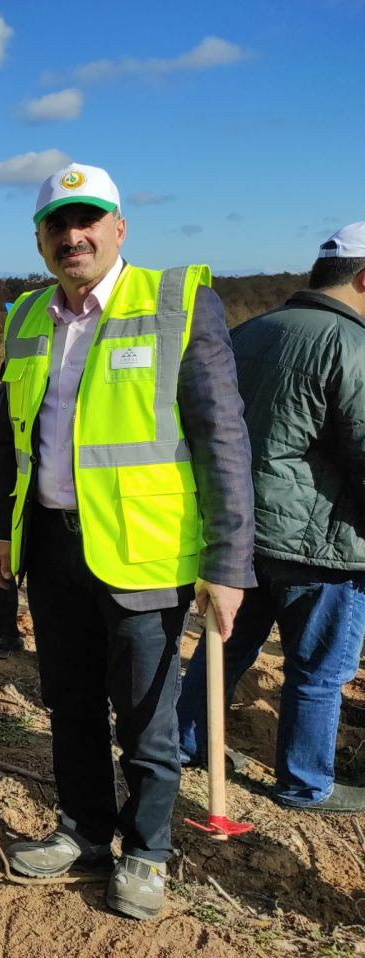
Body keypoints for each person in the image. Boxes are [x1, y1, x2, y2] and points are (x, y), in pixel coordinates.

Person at [0, 164, 254, 921]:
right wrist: (7, 531)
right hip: (54, 547)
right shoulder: (28, 317)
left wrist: (228, 564)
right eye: (58, 225)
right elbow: (14, 438)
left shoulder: (177, 304)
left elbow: (222, 438)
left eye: (89, 220)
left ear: (120, 226)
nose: (75, 236)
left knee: (143, 718)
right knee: (67, 703)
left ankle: (148, 851)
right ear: (40, 239)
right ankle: (84, 831)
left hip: (145, 552)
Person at [178, 222, 365, 813]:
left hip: (238, 536)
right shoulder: (353, 347)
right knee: (317, 670)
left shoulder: (248, 331)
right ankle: (305, 784)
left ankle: (185, 743)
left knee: (227, 646)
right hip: (322, 546)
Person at [0, 385, 23, 659]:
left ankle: (4, 635)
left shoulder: (2, 395)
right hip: (39, 495)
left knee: (3, 562)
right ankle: (5, 634)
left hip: (7, 491)